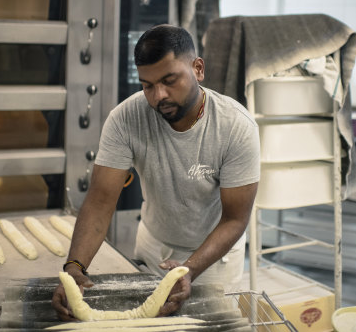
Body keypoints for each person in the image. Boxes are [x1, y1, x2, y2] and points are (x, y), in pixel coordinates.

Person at [52, 24, 260, 320]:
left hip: (214, 261)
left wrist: (191, 269)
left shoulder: (236, 127)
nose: (158, 95)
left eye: (169, 80)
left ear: (198, 69)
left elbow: (235, 219)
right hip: (153, 249)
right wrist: (75, 266)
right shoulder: (125, 118)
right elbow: (100, 202)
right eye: (147, 85)